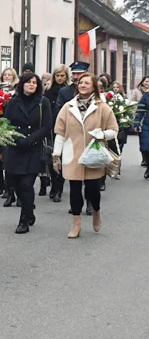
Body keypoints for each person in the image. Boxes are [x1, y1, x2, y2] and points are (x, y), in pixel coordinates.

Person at [53, 72, 118, 238]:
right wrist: (56, 154)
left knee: (93, 190)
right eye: (81, 83)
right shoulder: (68, 107)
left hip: (93, 154)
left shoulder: (102, 107)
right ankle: (76, 225)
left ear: (94, 87)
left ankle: (96, 211)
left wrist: (102, 134)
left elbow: (114, 130)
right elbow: (60, 132)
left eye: (87, 83)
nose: (82, 85)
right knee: (74, 190)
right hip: (72, 153)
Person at [2, 72, 52, 234]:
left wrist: (30, 140)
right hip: (15, 148)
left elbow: (46, 126)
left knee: (26, 184)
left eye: (34, 83)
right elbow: (6, 124)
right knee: (16, 184)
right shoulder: (12, 102)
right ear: (22, 84)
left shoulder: (42, 102)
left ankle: (23, 220)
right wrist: (16, 139)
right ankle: (29, 211)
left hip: (33, 148)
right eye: (28, 82)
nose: (31, 85)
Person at [44, 65, 70, 202]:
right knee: (52, 157)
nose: (60, 78)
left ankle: (59, 187)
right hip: (51, 127)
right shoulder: (48, 91)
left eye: (62, 76)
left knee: (64, 158)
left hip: (66, 128)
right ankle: (53, 184)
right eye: (58, 76)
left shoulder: (69, 91)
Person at [0, 67, 18, 199]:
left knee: (8, 158)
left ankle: (9, 186)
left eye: (9, 75)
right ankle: (1, 182)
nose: (7, 77)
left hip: (11, 126)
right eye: (5, 75)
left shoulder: (17, 92)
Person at [135, 90, 149, 178]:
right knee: (145, 148)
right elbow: (140, 110)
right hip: (147, 125)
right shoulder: (147, 95)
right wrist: (137, 122)